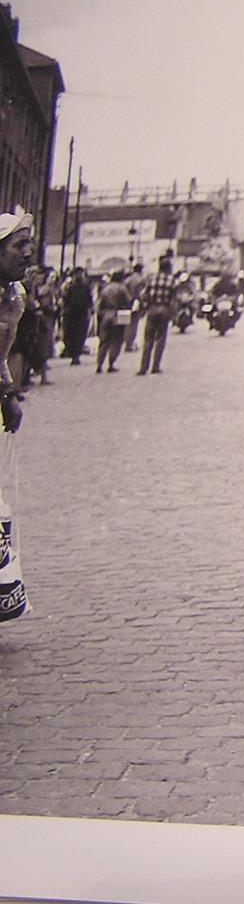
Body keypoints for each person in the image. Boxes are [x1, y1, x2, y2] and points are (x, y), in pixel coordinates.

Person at [0, 210, 35, 624]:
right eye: (18, 246)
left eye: (28, 244)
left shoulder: (15, 296)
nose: (27, 253)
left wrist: (8, 395)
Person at [136, 254, 180, 375]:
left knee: (148, 338)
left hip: (153, 309)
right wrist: (173, 314)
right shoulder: (173, 281)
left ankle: (143, 367)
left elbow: (143, 295)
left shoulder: (151, 279)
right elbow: (174, 299)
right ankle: (155, 366)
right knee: (160, 338)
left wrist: (146, 305)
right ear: (169, 268)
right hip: (164, 309)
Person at [94, 270, 131, 373]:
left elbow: (99, 305)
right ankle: (111, 363)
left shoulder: (105, 289)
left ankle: (99, 363)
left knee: (104, 341)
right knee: (117, 340)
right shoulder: (122, 288)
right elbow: (128, 301)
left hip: (106, 315)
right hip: (119, 314)